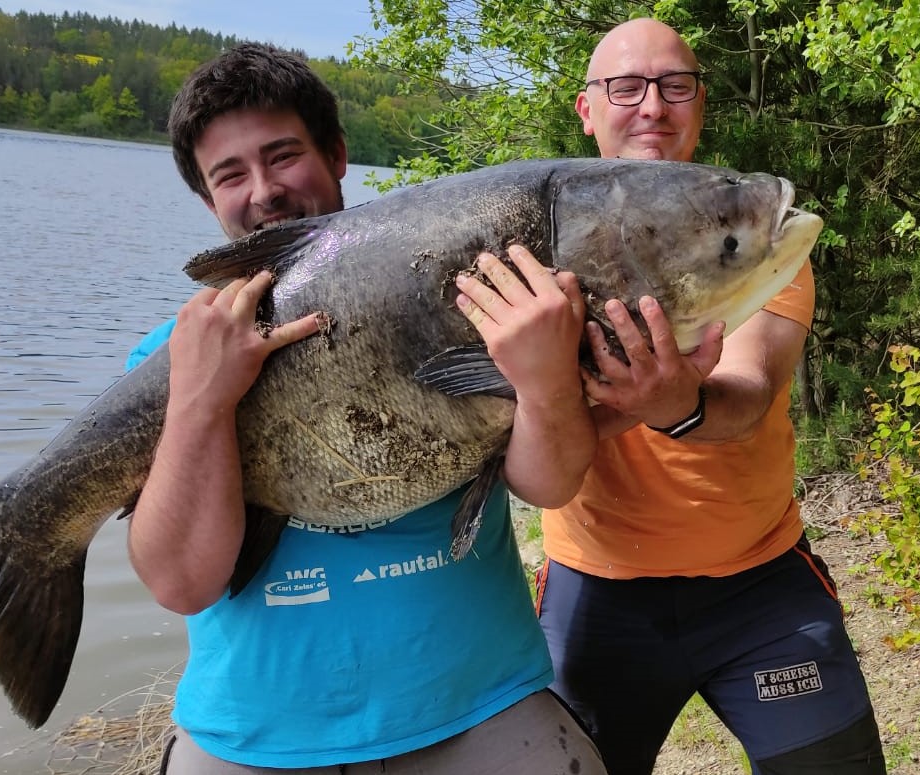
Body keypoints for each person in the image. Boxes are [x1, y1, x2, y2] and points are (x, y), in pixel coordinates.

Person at [125, 43, 607, 774]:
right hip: (251, 735)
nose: (263, 190)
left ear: (338, 154)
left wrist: (546, 383)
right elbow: (181, 583)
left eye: (283, 155)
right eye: (230, 174)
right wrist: (198, 401)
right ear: (206, 198)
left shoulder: (472, 290)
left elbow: (548, 486)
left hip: (481, 704)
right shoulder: (170, 354)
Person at [534, 17, 887, 775]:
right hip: (595, 591)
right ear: (586, 109)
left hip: (758, 584)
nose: (651, 106)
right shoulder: (531, 240)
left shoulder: (748, 233)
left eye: (675, 86)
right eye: (625, 87)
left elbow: (750, 389)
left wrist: (676, 404)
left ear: (700, 103)